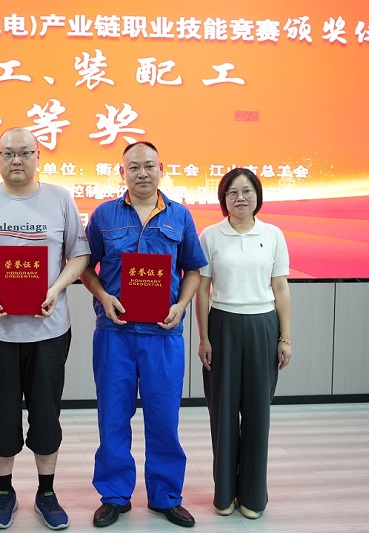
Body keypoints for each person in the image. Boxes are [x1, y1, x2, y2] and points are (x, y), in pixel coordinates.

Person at [0, 127, 90, 530]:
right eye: (8, 153)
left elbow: (79, 255)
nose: (16, 160)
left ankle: (46, 492)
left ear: (38, 157)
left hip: (50, 331)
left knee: (47, 415)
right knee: (2, 416)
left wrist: (56, 289)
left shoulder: (60, 198)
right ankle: (4, 491)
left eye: (25, 152)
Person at [80, 141, 206, 529]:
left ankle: (165, 495)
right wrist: (103, 296)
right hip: (115, 334)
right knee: (113, 416)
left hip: (163, 335)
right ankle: (115, 495)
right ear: (122, 173)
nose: (142, 173)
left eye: (149, 165)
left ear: (161, 169)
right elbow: (84, 267)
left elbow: (194, 270)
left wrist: (181, 306)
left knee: (164, 417)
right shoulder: (103, 215)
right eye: (133, 166)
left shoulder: (180, 216)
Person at [195, 167, 292, 520]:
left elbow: (281, 289)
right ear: (223, 198)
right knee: (222, 413)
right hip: (222, 325)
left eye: (247, 191)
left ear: (257, 196)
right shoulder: (210, 236)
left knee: (257, 413)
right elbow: (202, 292)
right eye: (232, 192)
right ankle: (224, 493)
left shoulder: (274, 235)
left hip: (263, 327)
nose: (240, 197)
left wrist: (285, 338)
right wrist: (204, 337)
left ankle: (252, 495)